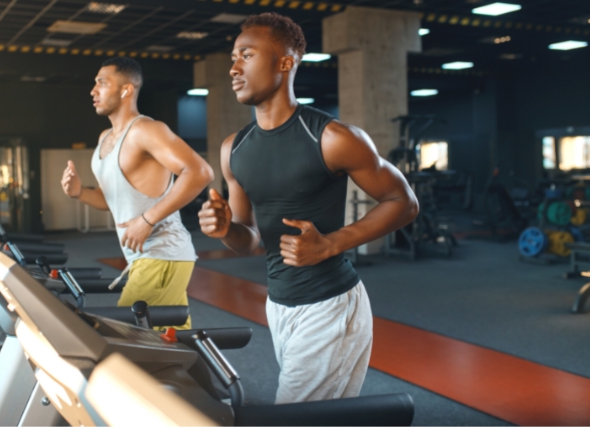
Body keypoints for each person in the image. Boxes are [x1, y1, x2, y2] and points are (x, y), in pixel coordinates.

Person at [198, 13, 419, 403]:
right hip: (279, 305)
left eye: (246, 56)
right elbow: (249, 242)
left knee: (295, 417)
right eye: (233, 56)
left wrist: (332, 243)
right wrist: (225, 229)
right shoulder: (234, 149)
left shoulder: (333, 138)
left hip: (329, 307)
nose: (233, 68)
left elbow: (404, 202)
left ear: (286, 62)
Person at [62, 57, 213, 329]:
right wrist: (79, 192)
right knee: (170, 336)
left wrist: (147, 220)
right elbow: (111, 200)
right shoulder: (104, 138)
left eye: (102, 83)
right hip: (148, 258)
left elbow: (199, 172)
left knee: (122, 332)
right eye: (94, 84)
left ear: (126, 90)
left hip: (162, 253)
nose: (93, 91)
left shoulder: (146, 130)